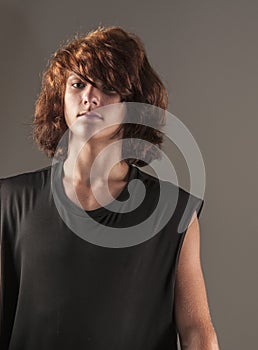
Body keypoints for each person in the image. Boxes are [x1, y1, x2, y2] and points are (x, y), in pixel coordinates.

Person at [0, 26, 220, 349]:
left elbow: (198, 333)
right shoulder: (10, 202)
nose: (89, 96)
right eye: (78, 84)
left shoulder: (173, 212)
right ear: (60, 97)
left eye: (106, 86)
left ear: (132, 103)